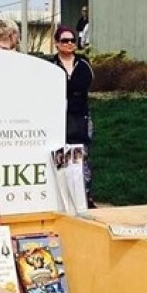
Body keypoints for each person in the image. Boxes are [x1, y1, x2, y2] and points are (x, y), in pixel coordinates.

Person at [50, 25, 95, 206]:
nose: (69, 44)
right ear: (57, 43)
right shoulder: (52, 66)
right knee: (61, 156)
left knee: (82, 156)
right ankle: (60, 197)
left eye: (72, 40)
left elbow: (84, 84)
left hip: (80, 116)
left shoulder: (83, 64)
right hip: (59, 118)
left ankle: (85, 196)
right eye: (64, 40)